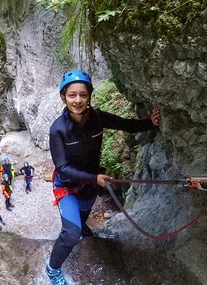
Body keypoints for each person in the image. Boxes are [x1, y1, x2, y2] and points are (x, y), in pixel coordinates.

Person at [45, 70, 160, 284]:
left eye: (83, 94)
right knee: (71, 234)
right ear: (63, 97)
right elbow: (62, 169)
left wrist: (150, 123)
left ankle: (82, 225)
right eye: (72, 95)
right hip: (68, 186)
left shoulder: (97, 118)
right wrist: (95, 177)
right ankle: (52, 269)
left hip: (90, 185)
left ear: (89, 96)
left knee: (83, 214)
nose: (77, 100)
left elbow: (125, 124)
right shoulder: (57, 130)